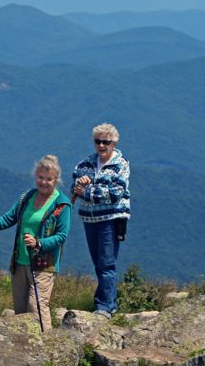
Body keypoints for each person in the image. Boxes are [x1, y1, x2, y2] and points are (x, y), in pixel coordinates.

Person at [0, 155, 71, 331]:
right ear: (35, 176)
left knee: (36, 307)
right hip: (20, 261)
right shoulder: (27, 197)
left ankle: (46, 347)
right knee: (21, 312)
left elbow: (61, 236)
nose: (44, 182)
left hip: (44, 266)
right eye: (40, 177)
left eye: (48, 179)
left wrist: (39, 243)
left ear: (56, 180)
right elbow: (6, 220)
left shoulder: (62, 205)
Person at [72, 123, 130, 317]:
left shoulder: (121, 165)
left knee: (107, 263)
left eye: (106, 142)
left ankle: (105, 306)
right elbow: (75, 183)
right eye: (98, 141)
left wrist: (87, 192)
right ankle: (107, 303)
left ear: (114, 143)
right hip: (89, 220)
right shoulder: (86, 163)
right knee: (99, 263)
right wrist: (83, 188)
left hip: (110, 220)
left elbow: (115, 193)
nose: (102, 146)